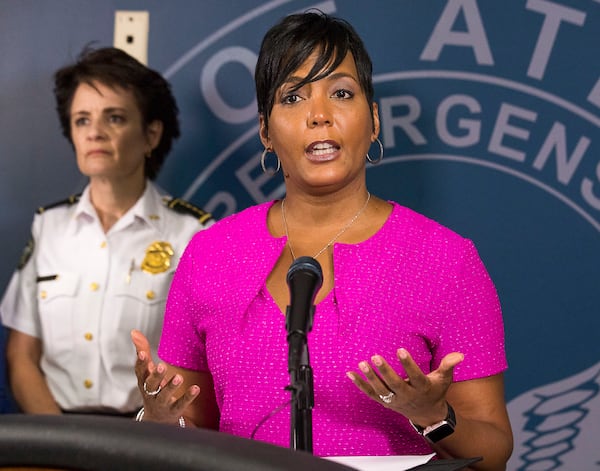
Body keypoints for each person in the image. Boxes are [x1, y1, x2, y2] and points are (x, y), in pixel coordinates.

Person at [131, 11, 513, 469]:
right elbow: (185, 430)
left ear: (372, 120)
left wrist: (434, 415)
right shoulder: (211, 254)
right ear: (265, 131)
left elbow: (493, 454)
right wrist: (154, 418)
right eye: (292, 97)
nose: (319, 116)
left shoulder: (446, 260)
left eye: (341, 93)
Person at [0, 47, 213, 416]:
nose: (95, 132)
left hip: (150, 440)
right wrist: (61, 442)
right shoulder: (48, 226)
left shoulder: (193, 233)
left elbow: (201, 373)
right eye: (82, 120)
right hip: (53, 438)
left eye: (113, 118)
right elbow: (21, 354)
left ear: (151, 134)